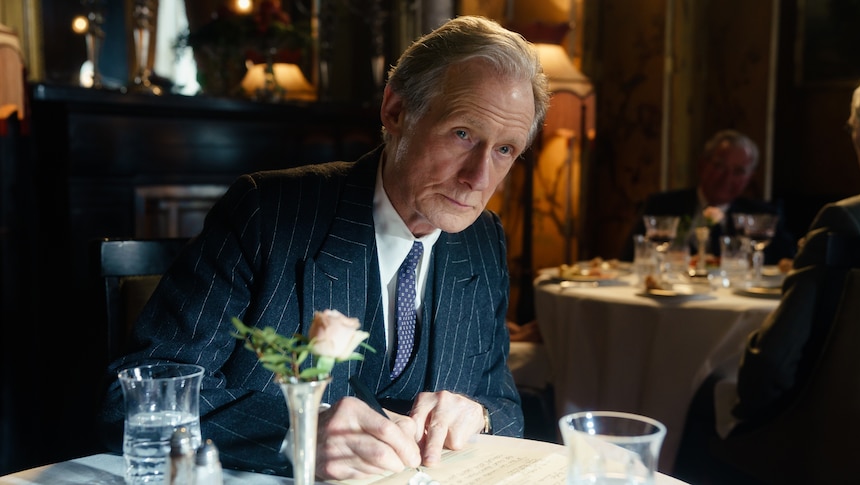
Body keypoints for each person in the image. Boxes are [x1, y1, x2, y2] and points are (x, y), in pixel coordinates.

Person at [97, 15, 550, 481]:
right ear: (395, 111)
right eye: (463, 133)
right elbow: (135, 398)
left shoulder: (482, 240)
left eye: (504, 151)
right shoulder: (267, 215)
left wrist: (478, 413)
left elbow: (503, 404)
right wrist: (298, 435)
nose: (478, 178)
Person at [674, 81, 860, 482]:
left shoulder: (844, 222)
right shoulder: (665, 204)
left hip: (824, 435)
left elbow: (771, 367)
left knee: (694, 397)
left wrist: (749, 403)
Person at [623, 129, 797, 265]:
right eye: (720, 167)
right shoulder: (662, 205)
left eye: (738, 171)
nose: (727, 178)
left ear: (750, 178)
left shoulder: (764, 216)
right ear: (702, 165)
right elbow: (629, 258)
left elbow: (787, 264)